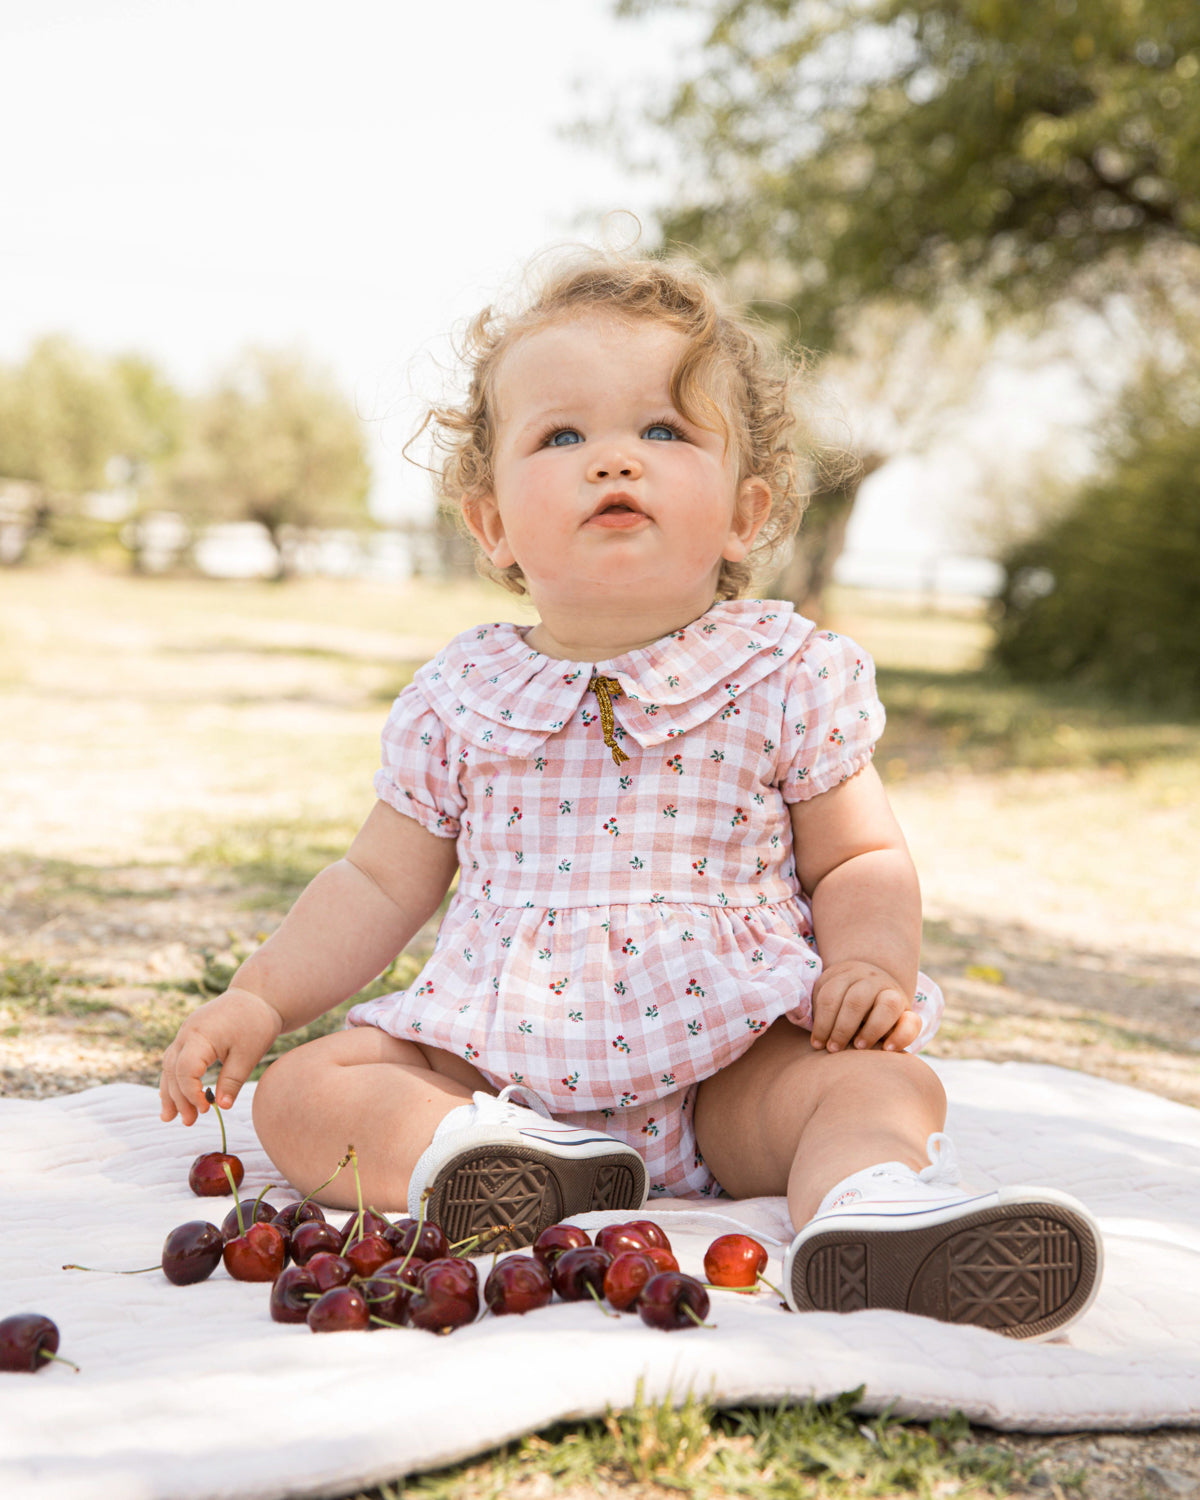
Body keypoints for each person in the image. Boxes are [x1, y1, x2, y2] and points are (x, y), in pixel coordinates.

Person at [159, 249, 1101, 1338]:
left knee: (876, 1088)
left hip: (732, 1064)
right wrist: (263, 997)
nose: (614, 458)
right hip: (493, 1066)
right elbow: (375, 880)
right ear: (493, 525)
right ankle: (490, 1164)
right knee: (303, 1093)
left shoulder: (783, 674)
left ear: (747, 513)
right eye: (561, 436)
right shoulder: (461, 695)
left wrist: (870, 966)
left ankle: (871, 1209)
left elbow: (859, 856)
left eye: (663, 431)